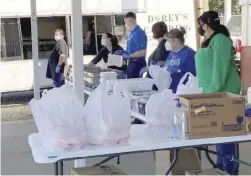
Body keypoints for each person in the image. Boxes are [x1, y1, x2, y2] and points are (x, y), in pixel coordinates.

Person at [195, 11, 240, 175]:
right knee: (219, 138)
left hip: (223, 95)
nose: (199, 27)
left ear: (206, 24)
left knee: (225, 137)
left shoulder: (220, 40)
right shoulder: (210, 41)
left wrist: (211, 94)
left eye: (201, 23)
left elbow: (219, 72)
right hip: (213, 94)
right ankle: (222, 169)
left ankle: (229, 171)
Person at [164, 27, 196, 93]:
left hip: (182, 92)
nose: (166, 43)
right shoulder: (171, 53)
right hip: (170, 91)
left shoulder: (189, 54)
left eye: (168, 41)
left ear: (175, 40)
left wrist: (178, 72)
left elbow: (191, 76)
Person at [124, 12, 147, 78]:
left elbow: (142, 52)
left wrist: (129, 55)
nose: (125, 24)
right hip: (131, 62)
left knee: (134, 85)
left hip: (137, 63)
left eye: (126, 22)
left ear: (131, 20)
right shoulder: (132, 33)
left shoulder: (139, 32)